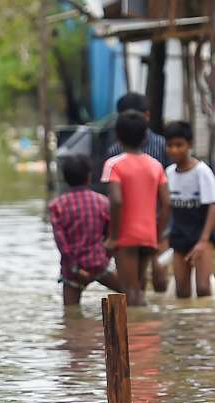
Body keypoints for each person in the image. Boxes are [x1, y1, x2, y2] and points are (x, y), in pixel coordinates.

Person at [102, 111, 170, 307]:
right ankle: (146, 333)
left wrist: (114, 236)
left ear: (118, 136)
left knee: (129, 290)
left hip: (125, 236)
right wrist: (157, 234)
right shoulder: (155, 165)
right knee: (139, 287)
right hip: (148, 236)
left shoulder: (113, 164)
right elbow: (167, 204)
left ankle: (138, 333)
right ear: (145, 137)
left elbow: (115, 200)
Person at [49, 154, 123, 306]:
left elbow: (62, 245)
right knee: (130, 294)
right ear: (89, 177)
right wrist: (104, 258)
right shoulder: (102, 202)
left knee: (70, 315)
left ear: (65, 178)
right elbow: (112, 235)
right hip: (99, 265)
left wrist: (75, 269)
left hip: (73, 271)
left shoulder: (58, 206)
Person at [162, 120, 215, 298]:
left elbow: (213, 205)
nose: (174, 150)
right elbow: (166, 208)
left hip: (200, 236)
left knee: (203, 288)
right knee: (182, 291)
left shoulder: (202, 172)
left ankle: (204, 323)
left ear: (189, 145)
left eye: (179, 145)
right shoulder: (169, 173)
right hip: (179, 236)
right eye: (170, 145)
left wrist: (203, 241)